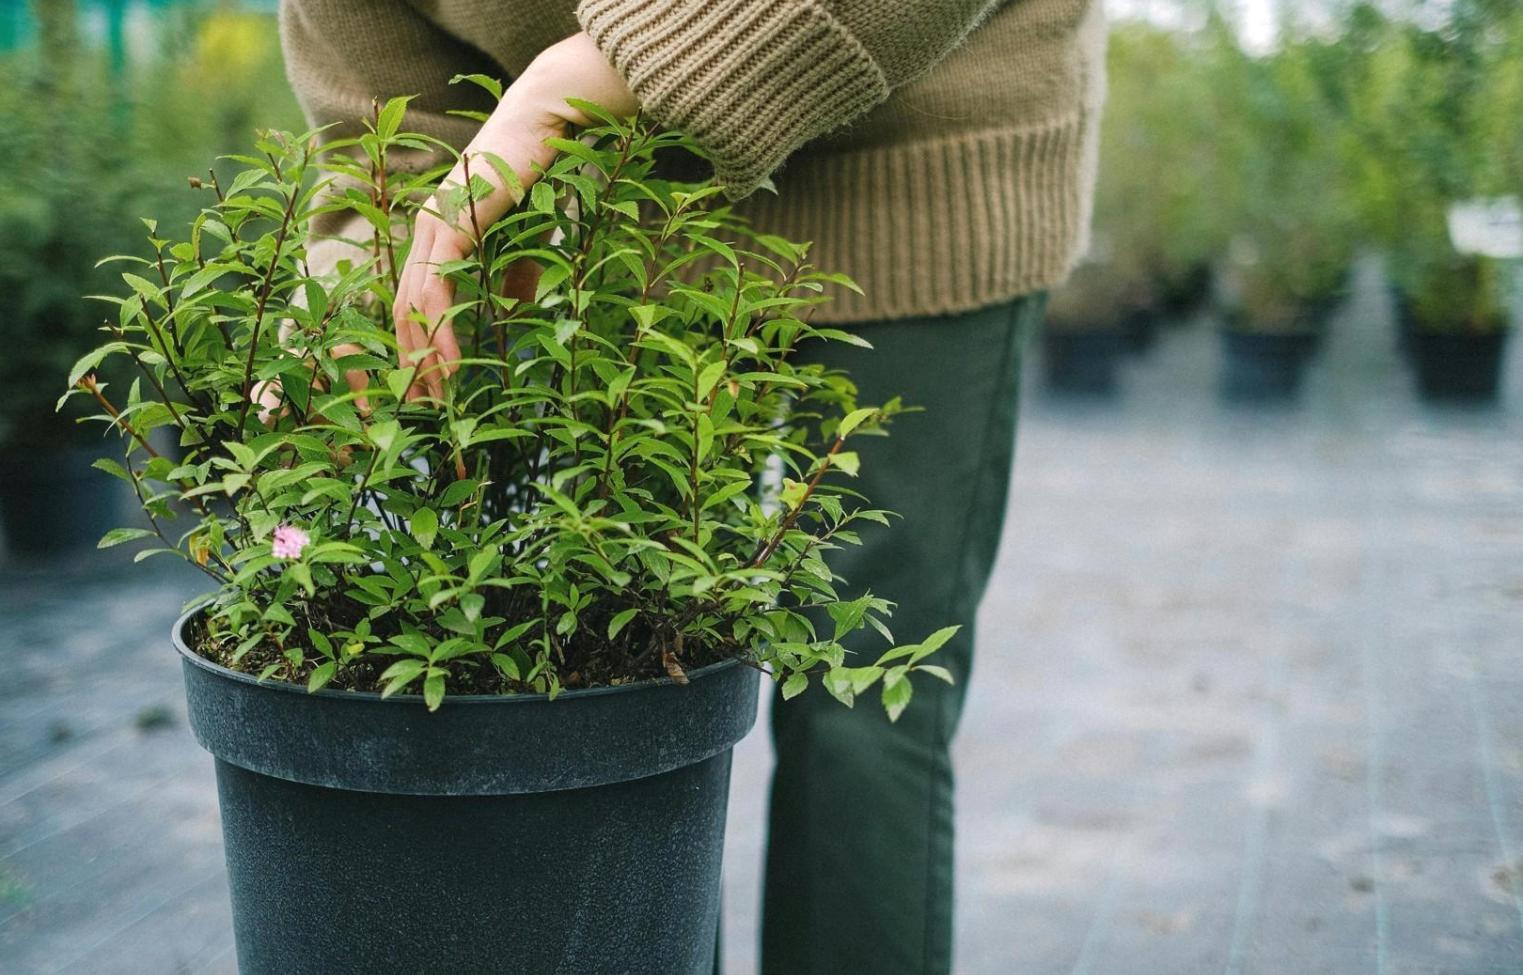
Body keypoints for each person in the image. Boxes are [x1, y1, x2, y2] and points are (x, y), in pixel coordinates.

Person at [279, 1, 1105, 971]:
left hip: (919, 157)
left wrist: (588, 75)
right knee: (619, 699)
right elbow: (382, 92)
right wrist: (358, 277)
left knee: (864, 710)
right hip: (600, 214)